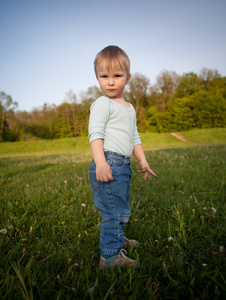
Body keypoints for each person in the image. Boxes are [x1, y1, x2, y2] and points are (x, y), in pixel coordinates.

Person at [88, 45, 156, 270]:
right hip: (108, 163)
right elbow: (95, 135)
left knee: (120, 208)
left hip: (122, 165)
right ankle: (109, 257)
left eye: (116, 76)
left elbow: (134, 136)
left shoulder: (129, 107)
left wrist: (142, 160)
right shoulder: (102, 104)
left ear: (128, 78)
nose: (110, 82)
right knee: (112, 212)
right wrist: (100, 163)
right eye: (104, 76)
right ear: (97, 77)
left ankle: (117, 238)